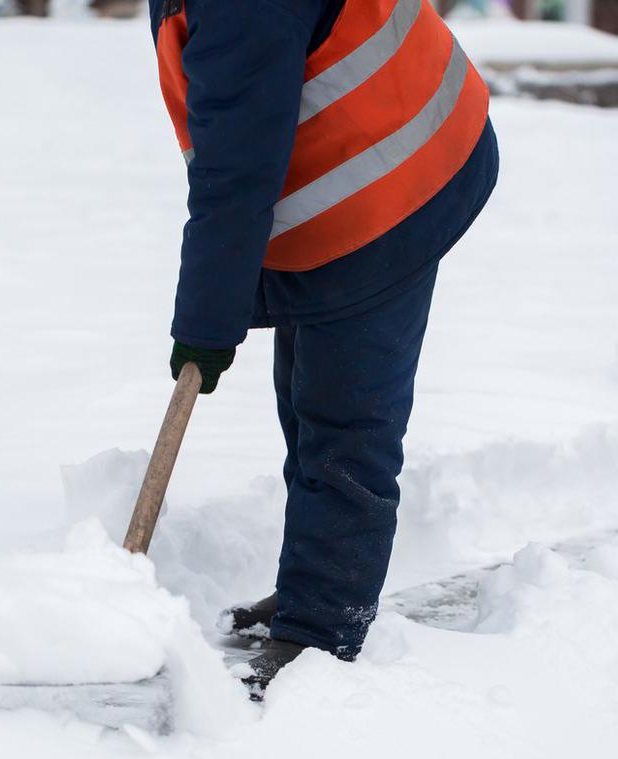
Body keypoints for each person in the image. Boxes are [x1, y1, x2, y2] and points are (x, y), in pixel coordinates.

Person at [149, 0, 499, 696]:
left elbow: (237, 173)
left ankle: (321, 632)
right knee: (305, 394)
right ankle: (311, 588)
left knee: (344, 417)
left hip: (399, 179)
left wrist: (206, 324)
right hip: (341, 161)